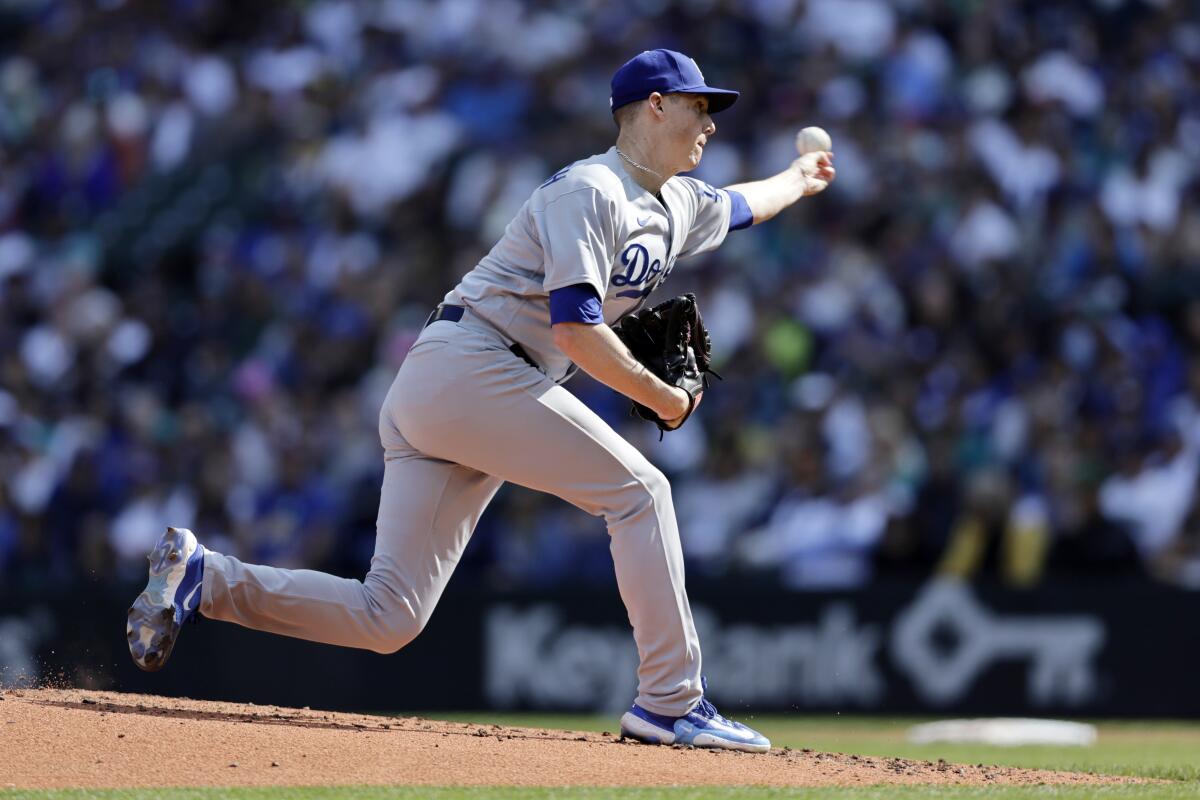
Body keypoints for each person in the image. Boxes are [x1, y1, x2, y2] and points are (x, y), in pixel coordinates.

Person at [127, 49, 835, 753]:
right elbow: (576, 328)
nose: (709, 124)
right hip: (474, 365)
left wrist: (799, 179)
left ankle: (205, 579)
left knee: (389, 616)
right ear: (654, 106)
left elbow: (745, 203)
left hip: (470, 385)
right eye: (698, 107)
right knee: (641, 493)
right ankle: (672, 703)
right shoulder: (590, 190)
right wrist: (662, 398)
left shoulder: (678, 204)